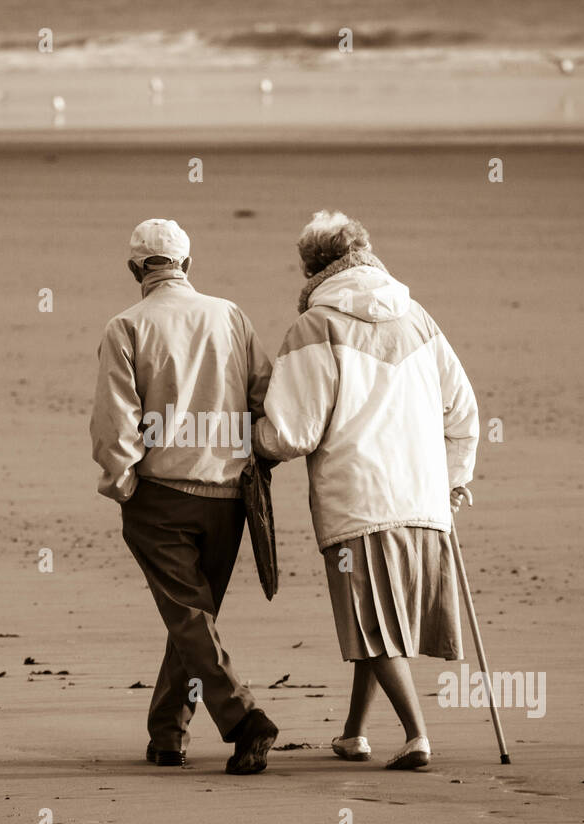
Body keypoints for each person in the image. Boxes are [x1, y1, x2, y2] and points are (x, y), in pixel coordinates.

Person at [253, 210, 479, 770]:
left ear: (311, 267)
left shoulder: (316, 326)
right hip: (423, 500)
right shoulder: (420, 318)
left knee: (372, 622)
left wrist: (252, 445)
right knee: (376, 618)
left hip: (359, 500)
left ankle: (417, 735)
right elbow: (465, 412)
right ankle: (353, 732)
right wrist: (453, 481)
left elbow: (292, 432)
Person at [90, 218, 279, 774]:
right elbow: (264, 393)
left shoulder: (125, 326)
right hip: (227, 497)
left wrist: (121, 482)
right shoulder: (232, 315)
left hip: (161, 495)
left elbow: (114, 420)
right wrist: (255, 458)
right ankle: (167, 734)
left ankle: (244, 719)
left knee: (190, 618)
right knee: (193, 620)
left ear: (135, 270)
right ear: (187, 265)